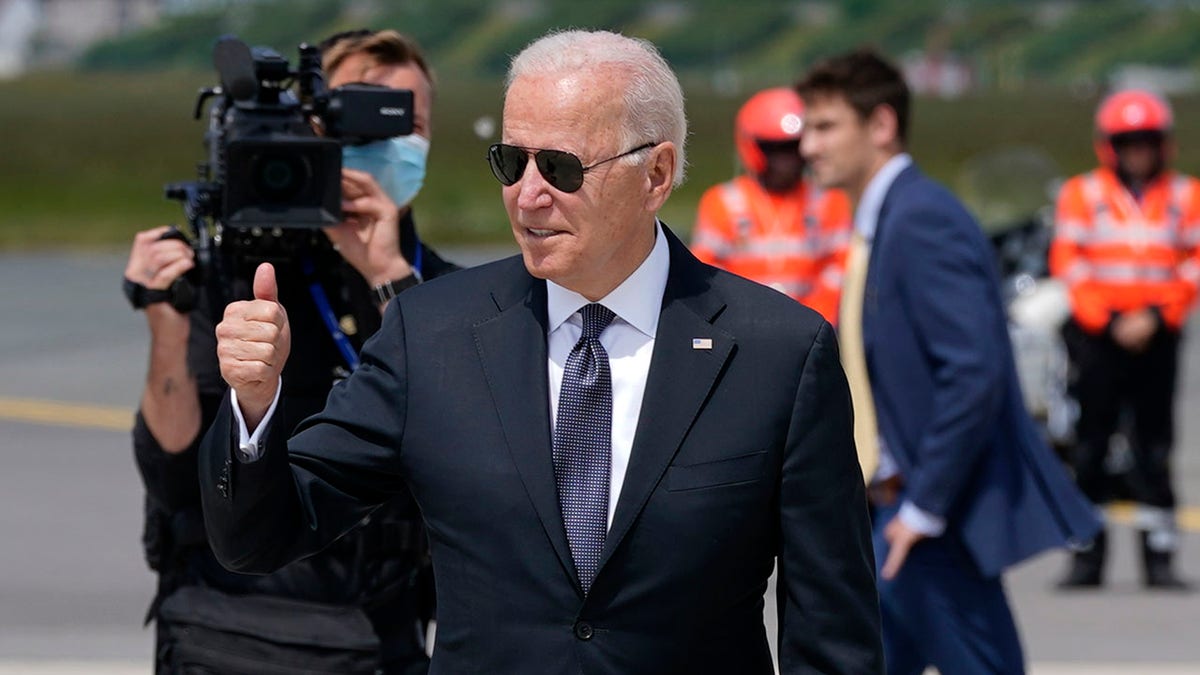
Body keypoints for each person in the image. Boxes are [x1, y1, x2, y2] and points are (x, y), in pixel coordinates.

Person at [197, 29, 883, 674]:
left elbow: (832, 633)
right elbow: (264, 534)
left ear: (657, 173)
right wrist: (254, 407)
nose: (527, 194)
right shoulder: (430, 333)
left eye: (559, 166)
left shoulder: (780, 354)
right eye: (510, 160)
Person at [125, 29, 457, 674]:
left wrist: (388, 274)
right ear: (312, 126)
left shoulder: (442, 293)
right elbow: (170, 477)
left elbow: (461, 436)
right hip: (225, 629)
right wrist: (167, 327)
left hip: (377, 631)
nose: (389, 142)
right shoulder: (238, 275)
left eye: (405, 121)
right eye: (360, 116)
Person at [797, 48, 1100, 674]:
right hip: (894, 510)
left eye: (825, 127)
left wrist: (924, 507)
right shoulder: (885, 221)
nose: (807, 145)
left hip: (932, 520)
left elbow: (974, 370)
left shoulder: (921, 219)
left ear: (880, 126)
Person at [1049, 88, 1199, 590]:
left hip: (1158, 336)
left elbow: (1194, 264)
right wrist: (1109, 322)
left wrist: (1156, 317)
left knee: (1154, 449)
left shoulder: (1185, 195)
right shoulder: (1082, 194)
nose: (1138, 151)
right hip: (1098, 339)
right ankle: (1087, 554)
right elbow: (1069, 263)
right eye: (1127, 141)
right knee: (1091, 446)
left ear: (1164, 144)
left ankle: (1159, 556)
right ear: (1109, 146)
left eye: (1147, 140)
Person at [691, 87, 851, 322]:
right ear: (752, 147)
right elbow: (705, 273)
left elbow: (839, 271)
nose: (786, 160)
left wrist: (812, 321)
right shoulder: (723, 203)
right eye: (774, 149)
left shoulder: (830, 202)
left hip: (811, 329)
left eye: (793, 148)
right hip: (743, 327)